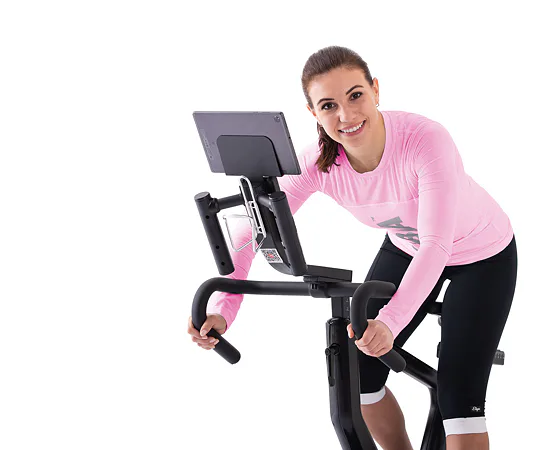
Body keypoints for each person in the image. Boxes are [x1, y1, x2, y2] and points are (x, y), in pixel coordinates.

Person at [187, 45, 518, 450]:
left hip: (482, 254)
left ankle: (456, 400)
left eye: (356, 95)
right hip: (406, 246)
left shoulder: (425, 140)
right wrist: (222, 310)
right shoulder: (319, 163)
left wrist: (390, 323)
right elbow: (251, 231)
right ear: (313, 112)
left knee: (459, 398)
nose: (346, 115)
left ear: (375, 89)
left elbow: (436, 244)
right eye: (329, 105)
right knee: (358, 377)